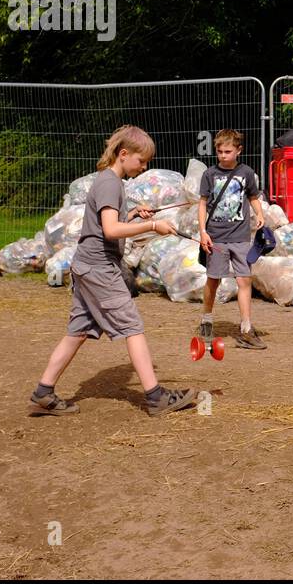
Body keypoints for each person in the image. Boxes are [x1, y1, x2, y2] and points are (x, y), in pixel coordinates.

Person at [29, 125, 197, 417]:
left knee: (78, 332)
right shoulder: (109, 183)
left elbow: (109, 221)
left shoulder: (111, 182)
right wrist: (152, 226)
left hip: (86, 265)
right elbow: (110, 230)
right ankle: (156, 398)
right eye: (141, 160)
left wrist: (133, 214)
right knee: (133, 328)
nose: (144, 166)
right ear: (123, 154)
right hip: (99, 268)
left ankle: (44, 392)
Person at [197, 129, 266, 349]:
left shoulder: (246, 173)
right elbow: (202, 204)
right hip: (216, 237)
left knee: (244, 280)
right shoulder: (209, 174)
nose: (223, 155)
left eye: (228, 151)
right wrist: (202, 231)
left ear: (239, 150)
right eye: (219, 151)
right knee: (213, 279)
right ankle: (206, 319)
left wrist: (260, 214)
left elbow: (253, 196)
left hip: (241, 237)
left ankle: (246, 327)